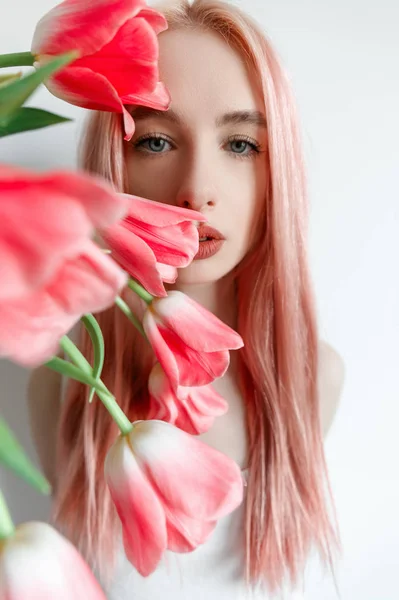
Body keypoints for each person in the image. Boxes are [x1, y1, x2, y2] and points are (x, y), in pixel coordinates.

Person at [27, 0, 345, 598]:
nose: (197, 190)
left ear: (281, 175)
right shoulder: (63, 384)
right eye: (154, 142)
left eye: (242, 145)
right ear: (112, 164)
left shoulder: (315, 379)